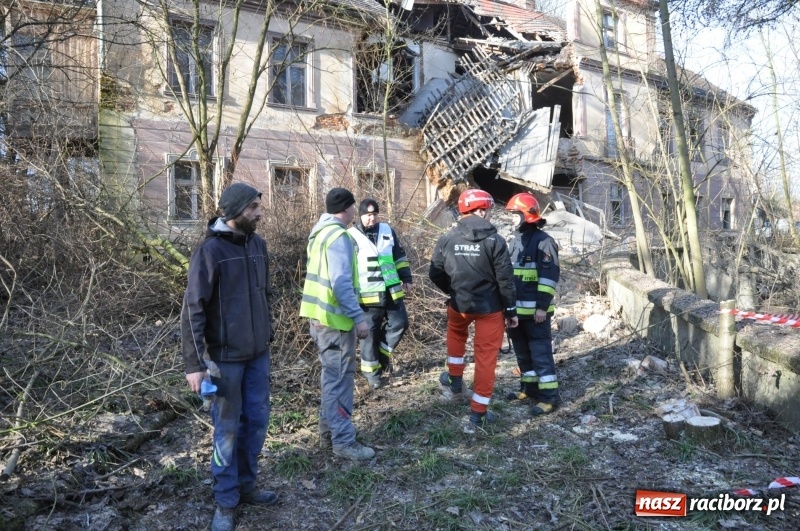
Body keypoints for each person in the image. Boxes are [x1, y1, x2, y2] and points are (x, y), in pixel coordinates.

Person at [180, 182, 277, 531]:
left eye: (258, 206)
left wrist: (268, 333)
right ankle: (225, 500)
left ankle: (247, 485)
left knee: (257, 423)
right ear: (235, 211)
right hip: (224, 361)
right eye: (252, 207)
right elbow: (193, 310)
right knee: (227, 431)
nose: (259, 213)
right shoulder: (210, 252)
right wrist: (195, 365)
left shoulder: (258, 246)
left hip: (257, 356)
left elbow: (267, 295)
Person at [428, 189, 518, 430]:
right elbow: (506, 280)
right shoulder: (495, 241)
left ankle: (456, 380)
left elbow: (434, 273)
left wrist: (453, 290)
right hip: (490, 308)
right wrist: (510, 311)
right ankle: (477, 414)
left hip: (459, 304)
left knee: (456, 335)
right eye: (487, 210)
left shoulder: (447, 238)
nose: (488, 214)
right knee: (486, 358)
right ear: (481, 209)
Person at [299, 187, 376, 460]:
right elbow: (341, 283)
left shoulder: (319, 233)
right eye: (354, 207)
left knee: (330, 379)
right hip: (337, 322)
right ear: (347, 208)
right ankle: (344, 442)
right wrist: (358, 318)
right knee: (340, 382)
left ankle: (328, 433)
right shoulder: (339, 237)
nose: (356, 212)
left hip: (319, 317)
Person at [504, 192, 561, 415]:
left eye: (514, 214)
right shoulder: (516, 241)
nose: (511, 220)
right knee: (522, 353)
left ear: (526, 215)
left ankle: (549, 397)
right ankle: (529, 388)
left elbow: (549, 277)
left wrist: (541, 306)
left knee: (541, 354)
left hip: (536, 312)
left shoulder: (545, 242)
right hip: (516, 312)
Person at [347, 199, 412, 389]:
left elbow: (399, 255)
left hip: (391, 289)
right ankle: (372, 374)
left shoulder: (387, 230)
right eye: (368, 215)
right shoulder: (350, 235)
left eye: (375, 214)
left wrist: (406, 277)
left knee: (400, 323)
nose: (372, 218)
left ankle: (381, 357)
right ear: (360, 216)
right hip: (367, 296)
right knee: (369, 336)